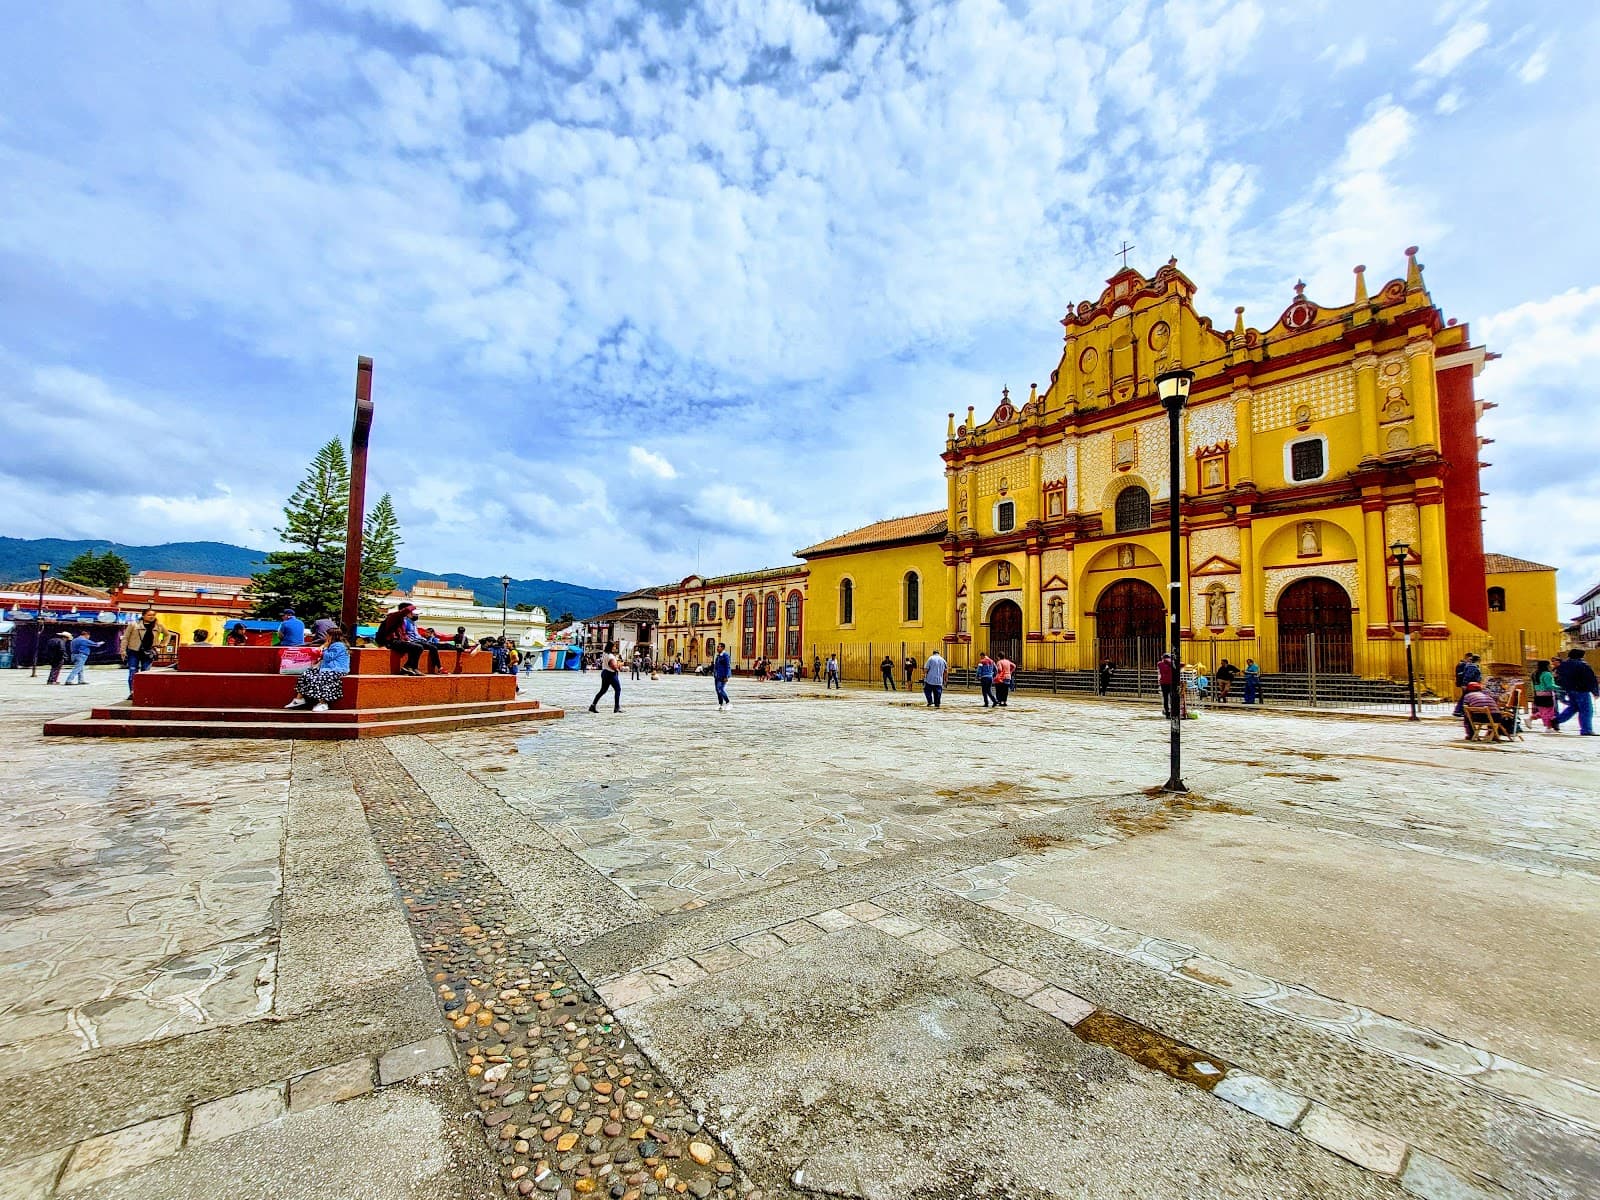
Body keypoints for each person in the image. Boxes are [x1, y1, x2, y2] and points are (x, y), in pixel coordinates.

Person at [282, 626, 351, 713]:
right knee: (307, 674)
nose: (325, 636)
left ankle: (323, 703)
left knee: (321, 678)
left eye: (327, 635)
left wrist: (324, 647)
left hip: (337, 669)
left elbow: (328, 657)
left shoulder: (339, 645)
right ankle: (299, 699)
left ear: (331, 636)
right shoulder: (333, 645)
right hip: (327, 668)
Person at [374, 602, 438, 676]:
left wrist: (407, 640)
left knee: (417, 646)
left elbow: (403, 634)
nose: (413, 614)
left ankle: (412, 667)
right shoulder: (394, 616)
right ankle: (408, 666)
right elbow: (405, 611)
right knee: (417, 647)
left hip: (398, 641)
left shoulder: (402, 620)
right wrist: (413, 607)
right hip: (390, 642)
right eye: (411, 612)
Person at [123, 608, 172, 694]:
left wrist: (163, 644)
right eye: (149, 615)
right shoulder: (134, 625)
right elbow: (125, 638)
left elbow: (167, 635)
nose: (151, 617)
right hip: (134, 651)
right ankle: (132, 692)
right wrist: (123, 650)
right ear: (143, 615)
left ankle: (142, 692)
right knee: (132, 672)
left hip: (149, 652)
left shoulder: (159, 626)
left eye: (153, 615)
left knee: (145, 672)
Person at [1551, 649, 1598, 736]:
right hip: (1582, 690)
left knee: (1573, 707)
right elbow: (1591, 679)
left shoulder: (1563, 665)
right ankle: (1586, 730)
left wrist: (1563, 690)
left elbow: (1559, 678)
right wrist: (1595, 692)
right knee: (1586, 710)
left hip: (1570, 690)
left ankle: (1557, 720)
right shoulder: (1583, 665)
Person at [589, 640, 623, 714]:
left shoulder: (605, 654)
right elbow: (613, 666)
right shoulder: (610, 656)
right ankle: (616, 707)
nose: (615, 648)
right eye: (614, 646)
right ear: (611, 647)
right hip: (611, 674)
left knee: (603, 690)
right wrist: (619, 666)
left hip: (604, 672)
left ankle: (593, 705)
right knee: (618, 689)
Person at [1530, 659, 1559, 731]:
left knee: (1543, 711)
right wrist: (1560, 688)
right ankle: (1548, 727)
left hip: (1537, 694)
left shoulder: (1534, 674)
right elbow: (1549, 686)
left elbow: (1532, 685)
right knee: (1549, 711)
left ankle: (1531, 718)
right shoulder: (1547, 674)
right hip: (1547, 694)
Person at [1157, 653, 1178, 718]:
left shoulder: (1159, 664)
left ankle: (1167, 713)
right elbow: (1182, 664)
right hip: (1172, 683)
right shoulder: (1173, 664)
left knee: (1165, 698)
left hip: (1163, 683)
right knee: (1173, 697)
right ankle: (1173, 711)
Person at [713, 642, 732, 707]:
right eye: (717, 647)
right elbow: (716, 665)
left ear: (723, 648)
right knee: (717, 690)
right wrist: (714, 673)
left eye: (719, 647)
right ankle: (720, 704)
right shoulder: (718, 656)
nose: (717, 648)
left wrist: (726, 676)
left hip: (723, 675)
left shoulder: (725, 655)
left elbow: (727, 666)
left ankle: (728, 702)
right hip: (717, 675)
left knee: (720, 689)